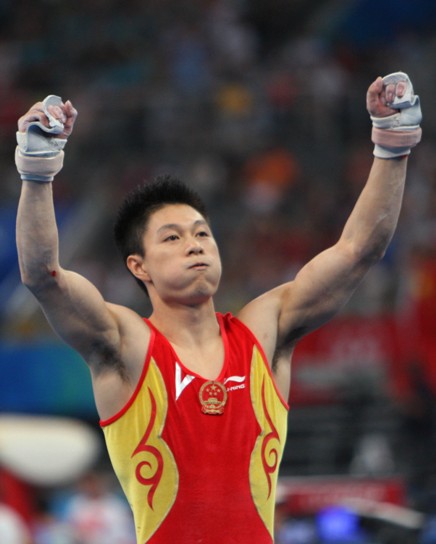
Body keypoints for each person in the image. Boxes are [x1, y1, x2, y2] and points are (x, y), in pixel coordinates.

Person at [14, 72, 422, 544]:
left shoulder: (265, 329)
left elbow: (357, 251)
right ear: (138, 266)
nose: (195, 245)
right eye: (173, 238)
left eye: (203, 233)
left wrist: (392, 146)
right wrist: (37, 172)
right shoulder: (126, 344)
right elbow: (43, 276)